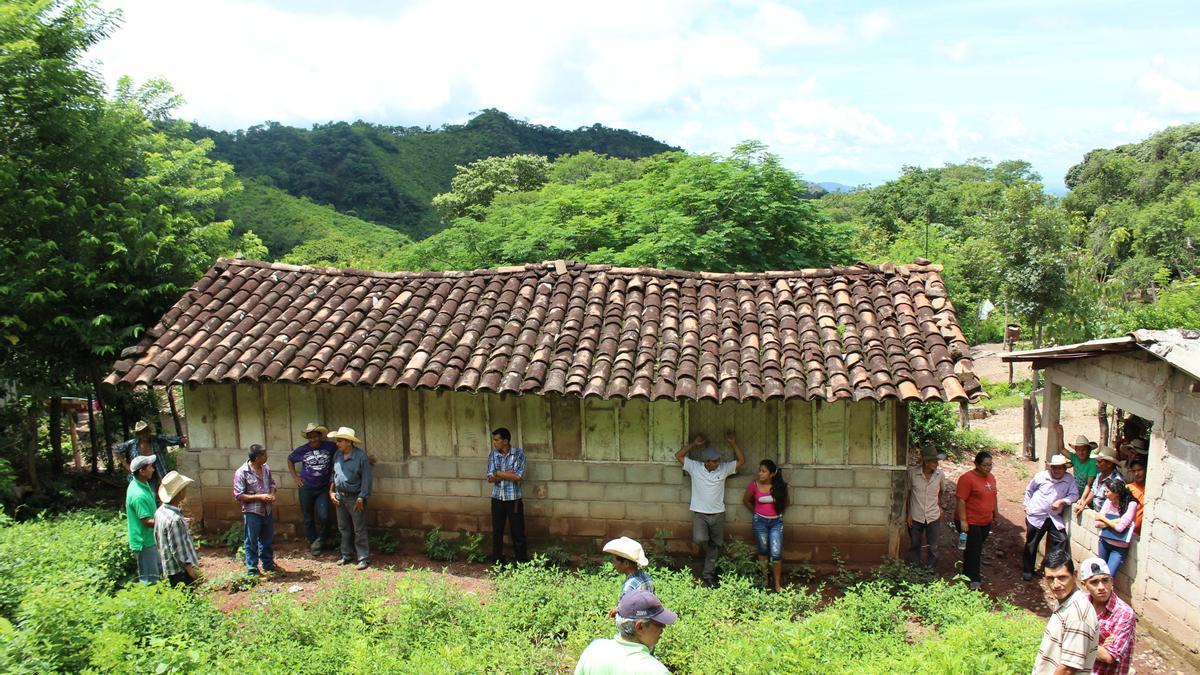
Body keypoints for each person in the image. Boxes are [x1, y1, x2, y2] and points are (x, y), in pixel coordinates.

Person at [675, 432, 746, 586]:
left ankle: (708, 575)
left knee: (715, 546)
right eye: (714, 461)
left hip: (718, 514)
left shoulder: (724, 469)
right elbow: (678, 456)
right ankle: (708, 561)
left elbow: (742, 461)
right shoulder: (695, 467)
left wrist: (733, 443)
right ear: (706, 461)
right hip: (700, 514)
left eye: (718, 460)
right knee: (700, 539)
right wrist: (694, 444)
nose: (717, 463)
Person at [575, 590, 677, 675]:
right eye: (659, 624)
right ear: (640, 627)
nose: (664, 627)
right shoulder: (656, 671)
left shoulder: (593, 650)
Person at [1034, 548, 1099, 674]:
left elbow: (1068, 668)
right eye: (1050, 578)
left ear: (1074, 575)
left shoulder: (1078, 615)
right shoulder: (1066, 602)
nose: (1056, 584)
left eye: (1062, 577)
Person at [1076, 558, 1137, 675]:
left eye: (1105, 580)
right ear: (1084, 585)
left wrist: (1074, 638)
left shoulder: (1124, 613)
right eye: (1094, 582)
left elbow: (1109, 656)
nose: (1101, 587)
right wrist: (1098, 646)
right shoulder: (1081, 603)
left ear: (1112, 581)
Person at [1022, 454, 1079, 581]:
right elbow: (1029, 490)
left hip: (1053, 517)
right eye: (1054, 468)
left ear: (1064, 468)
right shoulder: (1041, 476)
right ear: (1050, 468)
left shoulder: (1069, 479)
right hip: (1037, 515)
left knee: (1061, 539)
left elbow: (1074, 495)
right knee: (1032, 543)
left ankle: (1052, 568)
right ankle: (1027, 570)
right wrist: (1026, 504)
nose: (1057, 471)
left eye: (1060, 468)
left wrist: (1062, 501)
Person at [287, 423, 337, 555]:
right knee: (308, 517)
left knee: (324, 516)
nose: (313, 439)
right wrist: (295, 477)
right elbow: (290, 459)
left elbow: (345, 451)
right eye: (310, 437)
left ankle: (321, 540)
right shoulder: (302, 450)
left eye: (315, 436)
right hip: (306, 488)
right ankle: (313, 542)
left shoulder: (330, 447)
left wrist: (365, 459)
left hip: (322, 488)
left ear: (320, 436)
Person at [233, 444, 280, 576]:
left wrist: (271, 493)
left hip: (267, 510)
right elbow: (238, 495)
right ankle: (252, 569)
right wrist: (260, 497)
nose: (267, 456)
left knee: (267, 539)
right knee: (251, 540)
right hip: (252, 512)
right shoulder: (242, 472)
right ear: (257, 457)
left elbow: (272, 484)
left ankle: (268, 564)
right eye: (264, 455)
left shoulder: (265, 468)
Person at [329, 426, 372, 570]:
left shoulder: (361, 457)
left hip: (355, 499)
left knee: (359, 529)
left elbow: (366, 479)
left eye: (340, 441)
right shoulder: (338, 455)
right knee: (343, 528)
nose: (337, 443)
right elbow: (334, 475)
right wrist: (331, 492)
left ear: (349, 442)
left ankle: (363, 558)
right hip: (340, 497)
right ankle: (346, 555)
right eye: (337, 441)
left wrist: (362, 498)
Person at [742, 458, 788, 591]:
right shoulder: (754, 485)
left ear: (772, 474)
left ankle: (777, 584)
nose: (760, 474)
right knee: (762, 550)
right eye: (759, 471)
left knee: (776, 553)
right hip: (760, 522)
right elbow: (746, 500)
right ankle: (765, 579)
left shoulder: (779, 487)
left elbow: (786, 502)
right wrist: (756, 513)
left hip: (776, 523)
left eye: (764, 471)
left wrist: (777, 512)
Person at [956, 450, 998, 590]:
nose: (988, 468)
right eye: (985, 465)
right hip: (971, 521)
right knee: (975, 549)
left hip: (985, 521)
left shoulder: (991, 477)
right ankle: (974, 579)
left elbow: (993, 495)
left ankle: (967, 572)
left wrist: (995, 513)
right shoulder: (967, 478)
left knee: (973, 548)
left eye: (990, 465)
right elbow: (961, 500)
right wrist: (963, 521)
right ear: (977, 464)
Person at [485, 427, 528, 564]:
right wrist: (505, 474)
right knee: (497, 530)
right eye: (494, 440)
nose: (494, 443)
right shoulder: (493, 455)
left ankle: (521, 561)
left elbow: (518, 476)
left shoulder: (518, 454)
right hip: (497, 498)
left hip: (513, 499)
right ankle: (498, 560)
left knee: (517, 531)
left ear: (505, 441)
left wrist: (498, 473)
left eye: (497, 440)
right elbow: (490, 478)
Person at [155, 470, 201, 587]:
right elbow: (178, 551)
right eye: (184, 488)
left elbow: (158, 537)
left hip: (169, 567)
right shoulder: (175, 520)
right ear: (180, 493)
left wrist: (183, 523)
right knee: (187, 601)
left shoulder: (160, 512)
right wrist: (192, 571)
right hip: (180, 572)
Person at [116, 420, 186, 493]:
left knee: (153, 494)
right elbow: (117, 450)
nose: (145, 435)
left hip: (153, 473)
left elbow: (171, 440)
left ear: (149, 431)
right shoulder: (132, 444)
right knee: (139, 493)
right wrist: (126, 465)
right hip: (138, 475)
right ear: (138, 434)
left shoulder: (156, 440)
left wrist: (182, 439)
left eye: (146, 432)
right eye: (142, 433)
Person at [905, 446, 946, 570]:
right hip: (916, 515)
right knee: (915, 544)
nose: (936, 464)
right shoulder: (912, 474)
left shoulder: (940, 475)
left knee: (933, 546)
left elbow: (941, 492)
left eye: (937, 461)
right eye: (934, 461)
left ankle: (930, 570)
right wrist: (909, 514)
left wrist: (938, 506)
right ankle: (914, 568)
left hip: (933, 515)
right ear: (926, 462)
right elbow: (908, 494)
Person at [126, 454, 161, 584]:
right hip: (144, 542)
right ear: (141, 471)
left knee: (157, 573)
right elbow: (146, 522)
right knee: (150, 580)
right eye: (150, 467)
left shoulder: (141, 484)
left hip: (149, 539)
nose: (153, 469)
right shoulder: (138, 495)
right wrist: (167, 521)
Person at [1094, 478, 1138, 578]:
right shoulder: (1108, 502)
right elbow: (1097, 523)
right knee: (1100, 573)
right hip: (1104, 542)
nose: (1105, 494)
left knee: (1109, 576)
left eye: (1107, 491)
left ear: (1116, 493)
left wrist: (1103, 518)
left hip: (1119, 548)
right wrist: (1116, 520)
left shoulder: (1131, 505)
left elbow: (1120, 528)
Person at [602, 536, 654, 617]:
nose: (613, 564)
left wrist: (618, 612)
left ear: (626, 564)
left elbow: (626, 614)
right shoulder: (646, 576)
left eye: (615, 561)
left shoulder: (629, 586)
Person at [1077, 447, 1124, 514]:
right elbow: (1093, 491)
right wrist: (1084, 503)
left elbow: (1117, 505)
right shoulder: (1100, 474)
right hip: (1097, 513)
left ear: (1109, 464)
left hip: (1108, 516)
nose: (1096, 464)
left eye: (1099, 462)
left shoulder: (1117, 480)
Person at [1058, 430, 1098, 499]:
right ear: (1076, 450)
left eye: (1084, 450)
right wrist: (1061, 433)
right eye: (1079, 450)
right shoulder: (1075, 458)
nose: (1081, 452)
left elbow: (1089, 485)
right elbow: (1061, 449)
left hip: (1088, 496)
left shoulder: (1092, 463)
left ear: (1088, 450)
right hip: (1076, 493)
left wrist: (1082, 499)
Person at [1125, 459, 1146, 535]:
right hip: (1126, 532)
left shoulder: (1152, 490)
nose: (1136, 474)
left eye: (1139, 470)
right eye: (1133, 471)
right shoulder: (1128, 488)